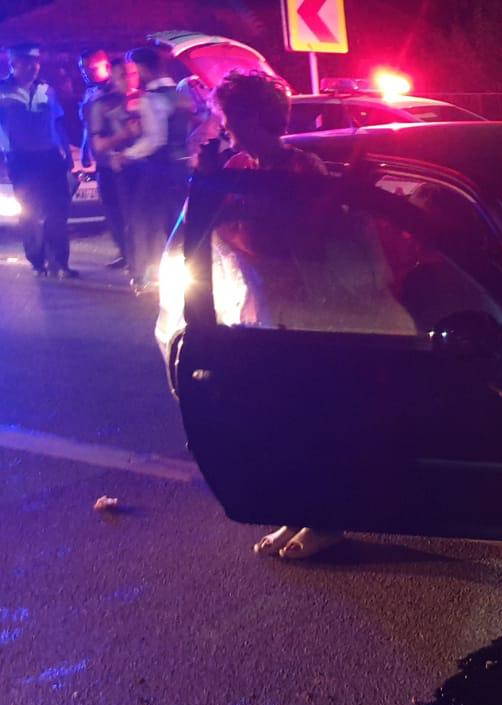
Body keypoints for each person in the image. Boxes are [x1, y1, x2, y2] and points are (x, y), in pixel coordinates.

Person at [207, 71, 339, 559]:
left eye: (230, 118)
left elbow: (311, 240)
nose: (224, 127)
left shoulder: (302, 168)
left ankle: (327, 519)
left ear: (254, 118)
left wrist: (249, 225)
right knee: (275, 419)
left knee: (310, 419)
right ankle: (297, 509)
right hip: (257, 308)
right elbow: (213, 225)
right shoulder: (238, 165)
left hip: (304, 312)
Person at [111, 47, 193, 293]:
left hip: (158, 169)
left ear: (143, 68)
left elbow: (154, 140)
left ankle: (145, 276)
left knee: (143, 222)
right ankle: (184, 273)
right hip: (182, 168)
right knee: (177, 223)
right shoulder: (181, 95)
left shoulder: (150, 99)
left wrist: (126, 154)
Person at [0, 42, 74, 278]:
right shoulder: (2, 91)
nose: (33, 67)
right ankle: (37, 261)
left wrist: (66, 153)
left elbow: (57, 123)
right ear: (13, 64)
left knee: (58, 211)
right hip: (21, 159)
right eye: (26, 63)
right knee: (30, 214)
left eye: (36, 62)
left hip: (50, 158)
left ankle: (60, 261)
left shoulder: (47, 90)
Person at [83, 56, 136, 272]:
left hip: (137, 168)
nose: (129, 79)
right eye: (123, 75)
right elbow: (97, 141)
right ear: (112, 77)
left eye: (132, 74)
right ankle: (127, 255)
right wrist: (124, 135)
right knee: (116, 215)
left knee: (136, 216)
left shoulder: (141, 99)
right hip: (110, 168)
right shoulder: (102, 103)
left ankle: (136, 257)